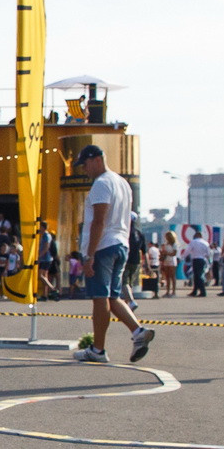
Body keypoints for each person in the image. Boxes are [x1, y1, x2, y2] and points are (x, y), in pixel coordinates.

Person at [71, 145, 150, 363]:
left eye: (85, 165)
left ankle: (98, 349)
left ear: (96, 160)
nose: (84, 170)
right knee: (113, 296)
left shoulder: (102, 183)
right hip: (121, 244)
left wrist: (89, 256)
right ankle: (138, 332)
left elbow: (99, 220)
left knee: (99, 297)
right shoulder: (122, 183)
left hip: (103, 246)